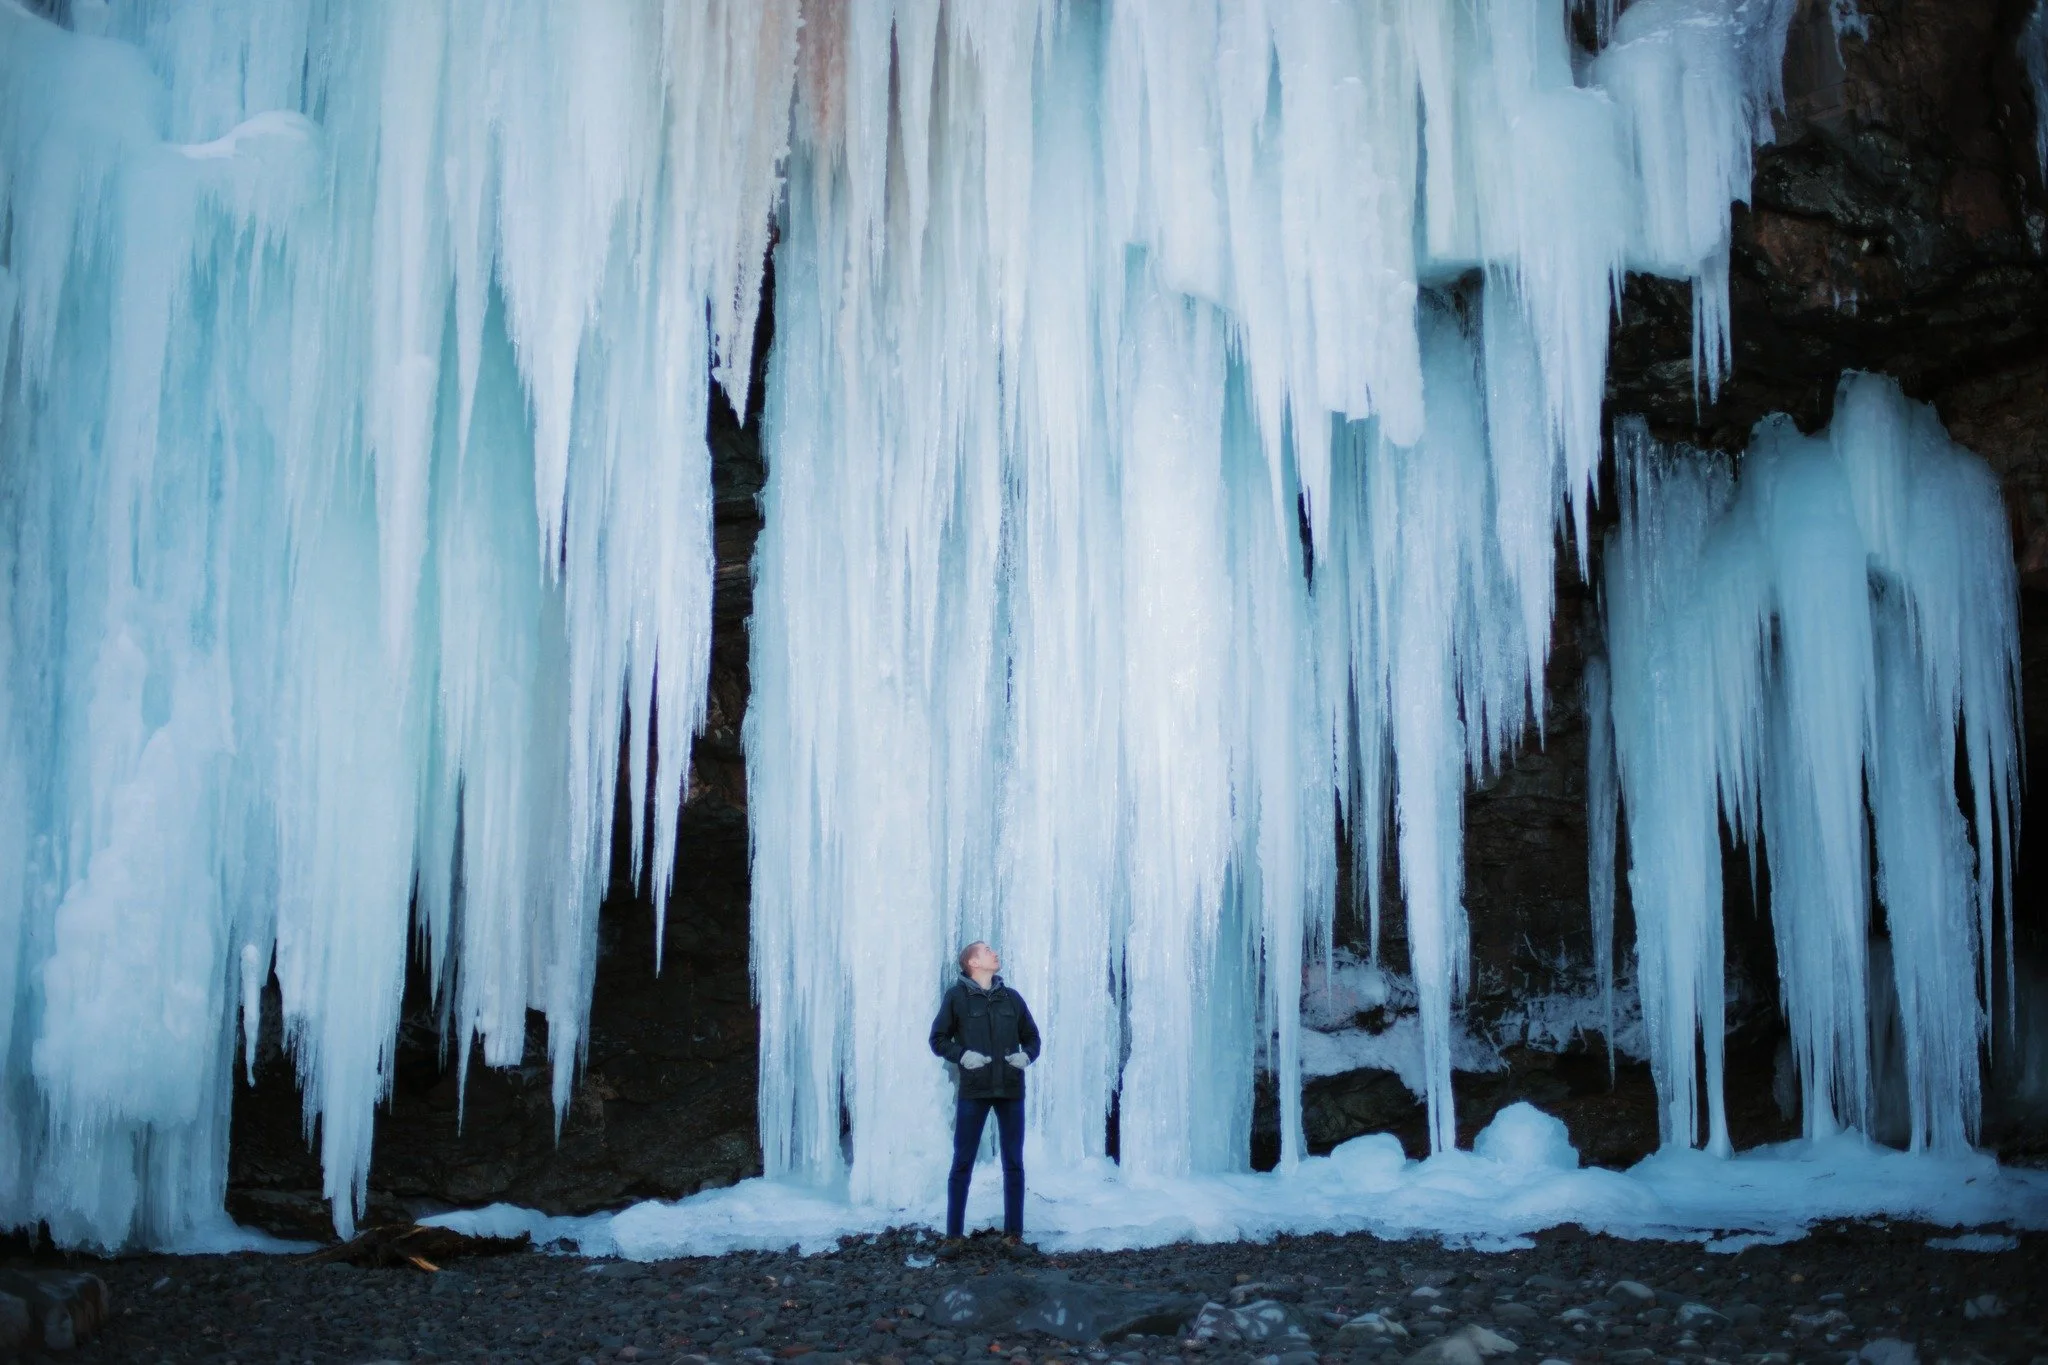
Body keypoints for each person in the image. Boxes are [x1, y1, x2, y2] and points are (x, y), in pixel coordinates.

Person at [927, 940, 1040, 1250]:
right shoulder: (957, 999)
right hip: (974, 1091)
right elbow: (937, 1039)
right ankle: (953, 1236)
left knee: (1013, 1163)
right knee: (962, 1161)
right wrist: (962, 1055)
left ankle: (1013, 1234)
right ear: (973, 963)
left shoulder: (1011, 999)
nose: (995, 953)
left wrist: (1026, 1057)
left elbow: (1032, 1037)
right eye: (987, 950)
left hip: (1010, 1090)